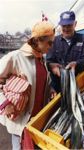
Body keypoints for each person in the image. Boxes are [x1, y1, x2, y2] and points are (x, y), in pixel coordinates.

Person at [0, 21, 55, 150]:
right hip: (21, 120)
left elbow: (40, 82)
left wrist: (50, 89)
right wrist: (4, 104)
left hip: (38, 119)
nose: (51, 46)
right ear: (37, 41)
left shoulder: (41, 59)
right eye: (49, 42)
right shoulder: (15, 57)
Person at [46, 11, 84, 93]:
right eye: (64, 26)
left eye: (69, 25)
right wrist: (52, 66)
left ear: (75, 24)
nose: (66, 28)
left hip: (78, 85)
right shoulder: (54, 41)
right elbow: (49, 61)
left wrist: (76, 64)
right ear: (60, 25)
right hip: (58, 87)